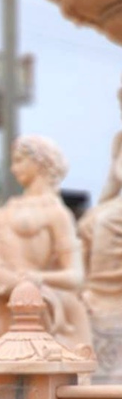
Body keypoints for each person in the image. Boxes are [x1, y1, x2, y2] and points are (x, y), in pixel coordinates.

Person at [0, 135, 91, 349]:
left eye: (19, 160)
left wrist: (37, 278)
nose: (13, 169)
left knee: (26, 298)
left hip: (32, 295)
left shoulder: (57, 213)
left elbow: (76, 277)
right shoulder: (8, 207)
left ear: (40, 161)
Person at [78, 81, 122, 318]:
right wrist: (96, 208)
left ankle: (106, 290)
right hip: (118, 205)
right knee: (89, 221)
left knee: (107, 220)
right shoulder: (120, 140)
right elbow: (112, 184)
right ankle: (86, 288)